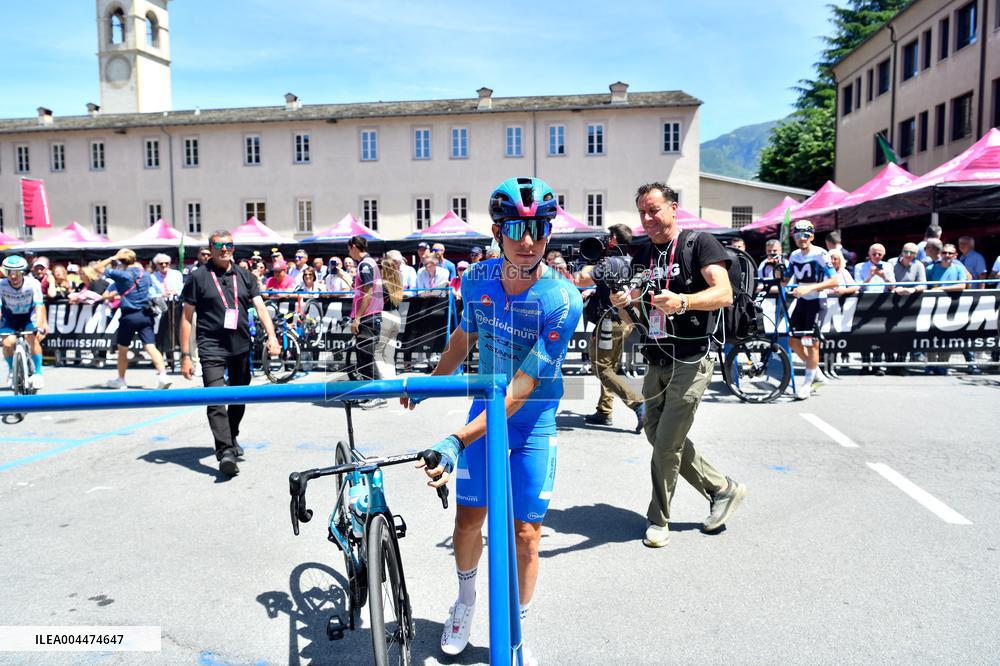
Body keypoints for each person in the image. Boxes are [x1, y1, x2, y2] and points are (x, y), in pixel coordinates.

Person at [408, 177, 582, 662]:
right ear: (497, 230)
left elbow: (523, 389)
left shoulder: (562, 298)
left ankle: (515, 624)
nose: (527, 242)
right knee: (469, 520)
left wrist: (457, 438)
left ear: (549, 232)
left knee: (527, 537)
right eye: (515, 229)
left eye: (538, 230)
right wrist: (429, 382)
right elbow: (464, 337)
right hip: (482, 414)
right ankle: (464, 603)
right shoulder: (478, 278)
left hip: (531, 420)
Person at [609, 181, 745, 548]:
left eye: (654, 209)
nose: (648, 218)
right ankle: (722, 488)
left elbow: (724, 293)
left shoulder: (699, 244)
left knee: (666, 444)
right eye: (641, 212)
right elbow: (630, 317)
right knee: (658, 436)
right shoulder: (641, 256)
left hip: (692, 358)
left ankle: (659, 519)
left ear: (673, 207)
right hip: (656, 359)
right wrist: (622, 301)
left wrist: (682, 301)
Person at [180, 231, 280, 476]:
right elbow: (186, 317)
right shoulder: (198, 277)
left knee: (238, 395)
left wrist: (272, 336)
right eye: (218, 245)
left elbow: (260, 306)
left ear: (233, 248)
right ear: (210, 248)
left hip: (240, 346)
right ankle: (224, 451)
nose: (224, 249)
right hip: (211, 346)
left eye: (229, 245)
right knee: (215, 397)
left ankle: (232, 434)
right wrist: (185, 355)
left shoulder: (245, 276)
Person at [575, 223, 645, 432]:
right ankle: (604, 411)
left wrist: (591, 260)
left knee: (600, 368)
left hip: (610, 320)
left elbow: (581, 279)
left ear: (613, 239)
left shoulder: (608, 261)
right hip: (627, 319)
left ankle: (638, 403)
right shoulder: (633, 261)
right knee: (610, 367)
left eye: (608, 237)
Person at [95, 249, 172, 390]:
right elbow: (155, 291)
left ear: (121, 260)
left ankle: (121, 379)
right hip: (145, 314)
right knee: (151, 346)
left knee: (123, 348)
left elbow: (97, 268)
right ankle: (163, 375)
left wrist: (113, 257)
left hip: (129, 315)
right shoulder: (146, 274)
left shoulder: (122, 275)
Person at [784, 220, 838, 398]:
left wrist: (809, 287)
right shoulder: (794, 255)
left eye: (806, 235)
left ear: (812, 236)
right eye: (798, 235)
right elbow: (785, 279)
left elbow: (834, 281)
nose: (802, 239)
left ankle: (807, 383)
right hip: (802, 302)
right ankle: (817, 373)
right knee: (793, 341)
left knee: (812, 342)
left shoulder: (820, 253)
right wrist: (777, 269)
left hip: (818, 301)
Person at [347, 235, 385, 409]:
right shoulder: (369, 263)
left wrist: (358, 318)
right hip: (371, 316)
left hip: (369, 317)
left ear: (355, 246)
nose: (349, 252)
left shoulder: (365, 264)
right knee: (364, 358)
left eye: (349, 248)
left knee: (366, 357)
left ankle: (378, 395)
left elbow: (368, 292)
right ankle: (371, 393)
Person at [0, 255, 48, 390]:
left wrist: (40, 324)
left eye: (17, 273)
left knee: (32, 339)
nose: (13, 276)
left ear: (22, 272)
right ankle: (11, 370)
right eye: (9, 272)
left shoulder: (33, 283)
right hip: (9, 318)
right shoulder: (1, 285)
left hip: (28, 316)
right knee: (7, 343)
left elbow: (39, 305)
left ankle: (38, 373)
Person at [925, 243, 968, 375]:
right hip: (933, 306)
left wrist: (942, 288)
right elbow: (925, 285)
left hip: (952, 307)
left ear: (955, 255)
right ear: (940, 254)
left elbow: (962, 285)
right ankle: (931, 365)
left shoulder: (959, 268)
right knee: (930, 336)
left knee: (948, 337)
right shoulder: (931, 268)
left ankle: (943, 364)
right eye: (944, 253)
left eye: (950, 253)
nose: (947, 255)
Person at [375, 257, 404, 379]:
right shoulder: (397, 282)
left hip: (385, 316)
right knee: (389, 352)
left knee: (378, 352)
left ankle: (384, 379)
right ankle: (392, 378)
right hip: (396, 316)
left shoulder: (380, 284)